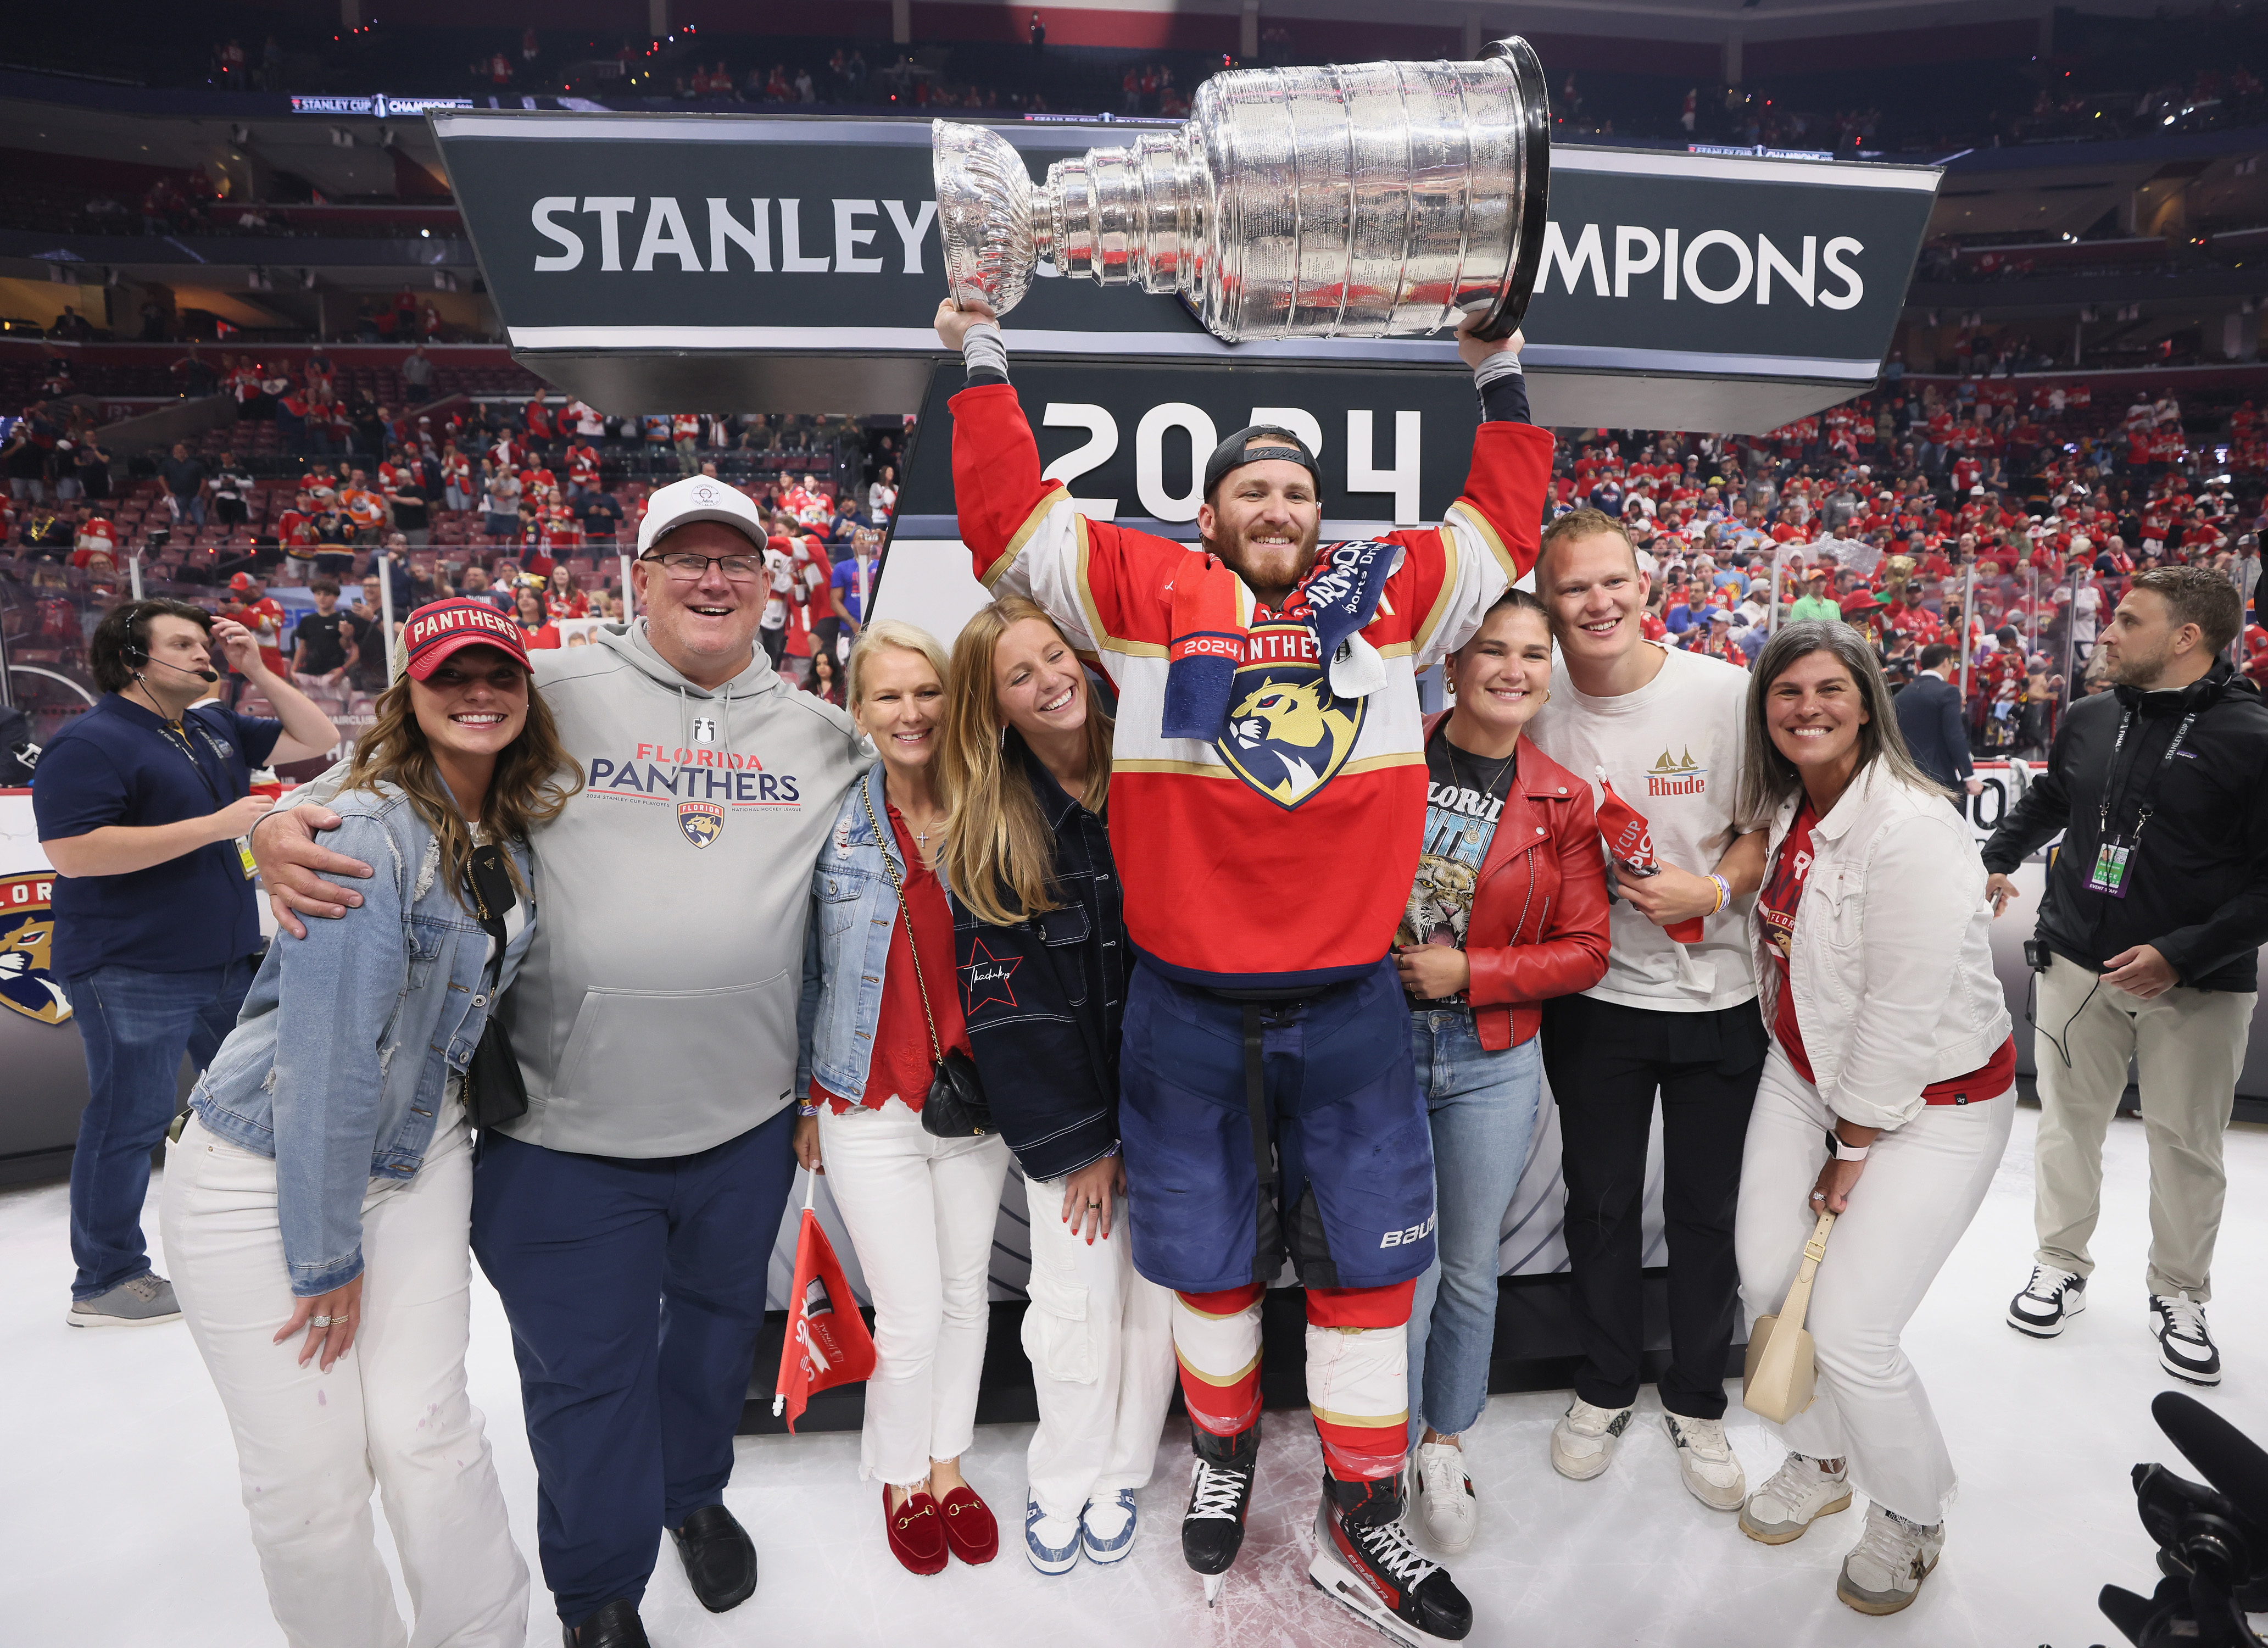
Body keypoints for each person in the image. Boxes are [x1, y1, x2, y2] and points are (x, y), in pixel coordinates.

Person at [936, 293, 1550, 1645]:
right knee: (1205, 1267)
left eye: (1292, 489)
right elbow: (1006, 526)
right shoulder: (1142, 591)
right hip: (1186, 1004)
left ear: (1314, 516)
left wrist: (1495, 371)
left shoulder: (1383, 594)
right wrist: (978, 355)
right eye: (1247, 488)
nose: (1272, 503)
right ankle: (1219, 1449)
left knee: (1366, 1271)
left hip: (1343, 1002)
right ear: (1206, 515)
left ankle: (1357, 1504)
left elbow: (1499, 526)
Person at [249, 475, 867, 1647]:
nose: (712, 579)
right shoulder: (553, 690)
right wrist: (277, 819)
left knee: (710, 1341)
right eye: (684, 558)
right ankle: (597, 1591)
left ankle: (694, 1496)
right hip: (562, 1137)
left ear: (769, 584)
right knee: (586, 1380)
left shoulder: (821, 734)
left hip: (742, 1124)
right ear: (638, 577)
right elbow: (395, 758)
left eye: (735, 559)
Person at [161, 599, 574, 1648]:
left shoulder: (510, 817)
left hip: (420, 1150)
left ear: (526, 697)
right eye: (450, 678)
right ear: (411, 693)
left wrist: (267, 819)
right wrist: (324, 1249)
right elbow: (330, 1063)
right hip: (268, 1170)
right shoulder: (365, 825)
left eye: (499, 677)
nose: (477, 695)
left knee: (428, 1434)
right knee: (309, 1477)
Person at [1732, 621, 2016, 1617]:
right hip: (1802, 1072)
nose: (1805, 708)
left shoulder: (1911, 824)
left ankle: (1910, 1512)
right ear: (1762, 712)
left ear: (1865, 703)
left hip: (1933, 1101)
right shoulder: (1783, 800)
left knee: (1851, 1328)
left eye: (1827, 690)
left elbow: (1899, 1010)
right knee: (1766, 1277)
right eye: (1785, 694)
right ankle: (1818, 1459)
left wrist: (1849, 1147)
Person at [1521, 508, 1769, 1512]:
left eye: (1611, 581)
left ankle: (1699, 1398)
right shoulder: (1530, 701)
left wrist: (1708, 894)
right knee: (1599, 1206)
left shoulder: (1721, 690)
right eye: (1573, 588)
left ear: (1644, 585)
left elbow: (1759, 831)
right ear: (1546, 604)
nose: (1596, 602)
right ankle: (1601, 1383)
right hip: (1595, 1001)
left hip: (1720, 996)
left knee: (1707, 1215)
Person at [937, 596, 1176, 1574]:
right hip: (1070, 1127)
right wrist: (1085, 1142)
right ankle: (1062, 1475)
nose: (1050, 682)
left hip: (1172, 1107)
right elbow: (1010, 1009)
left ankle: (1123, 1468)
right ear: (991, 707)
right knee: (1070, 1307)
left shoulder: (1158, 773)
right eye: (1019, 676)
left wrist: (1143, 1130)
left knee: (1156, 1302)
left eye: (1055, 657)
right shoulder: (991, 827)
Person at [1983, 567, 2268, 1385]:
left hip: (2198, 984)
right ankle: (2060, 1263)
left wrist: (2181, 953)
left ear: (2187, 637)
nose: (2106, 633)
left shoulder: (2253, 738)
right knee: (2067, 1126)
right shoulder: (2090, 716)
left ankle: (2179, 1291)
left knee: (2187, 1145)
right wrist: (1996, 858)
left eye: (2128, 621)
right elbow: (2050, 800)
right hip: (2076, 963)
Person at [32, 599, 338, 1326]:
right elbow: (73, 855)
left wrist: (258, 668)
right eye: (184, 643)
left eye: (206, 643)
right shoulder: (90, 743)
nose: (204, 653)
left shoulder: (209, 725)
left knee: (270, 1100)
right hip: (131, 965)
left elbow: (316, 736)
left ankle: (267, 1242)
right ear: (135, 659)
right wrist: (219, 826)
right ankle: (106, 1280)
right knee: (130, 1118)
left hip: (226, 958)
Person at [1396, 589, 1610, 1554]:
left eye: (1532, 653)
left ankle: (1442, 1441)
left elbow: (1585, 950)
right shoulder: (1384, 761)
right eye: (1492, 650)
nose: (1514, 669)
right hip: (1377, 1050)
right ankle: (1372, 1443)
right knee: (1393, 1266)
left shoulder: (1561, 798)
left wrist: (1470, 973)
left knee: (1468, 1266)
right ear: (1451, 665)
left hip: (1491, 1056)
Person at [798, 620, 1011, 1578]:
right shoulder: (833, 819)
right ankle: (896, 1476)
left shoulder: (990, 807)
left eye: (925, 692)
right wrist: (805, 1100)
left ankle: (948, 1463)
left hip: (975, 1104)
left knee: (968, 1299)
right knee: (914, 1311)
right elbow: (800, 966)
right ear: (858, 711)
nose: (911, 712)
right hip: (866, 1105)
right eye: (888, 696)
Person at [1891, 642, 1980, 810]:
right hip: (1939, 780)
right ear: (1946, 662)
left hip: (1906, 780)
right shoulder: (1948, 692)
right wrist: (1969, 776)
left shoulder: (1901, 695)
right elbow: (1955, 735)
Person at [292, 578, 359, 689]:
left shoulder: (344, 620)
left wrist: (343, 670)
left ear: (335, 598)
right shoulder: (307, 621)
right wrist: (294, 669)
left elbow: (352, 649)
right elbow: (302, 648)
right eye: (318, 594)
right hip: (309, 675)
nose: (322, 598)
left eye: (327, 594)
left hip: (334, 675)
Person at [514, 584, 562, 649]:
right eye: (520, 597)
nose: (524, 599)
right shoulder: (512, 630)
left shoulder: (556, 628)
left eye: (530, 596)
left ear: (539, 601)